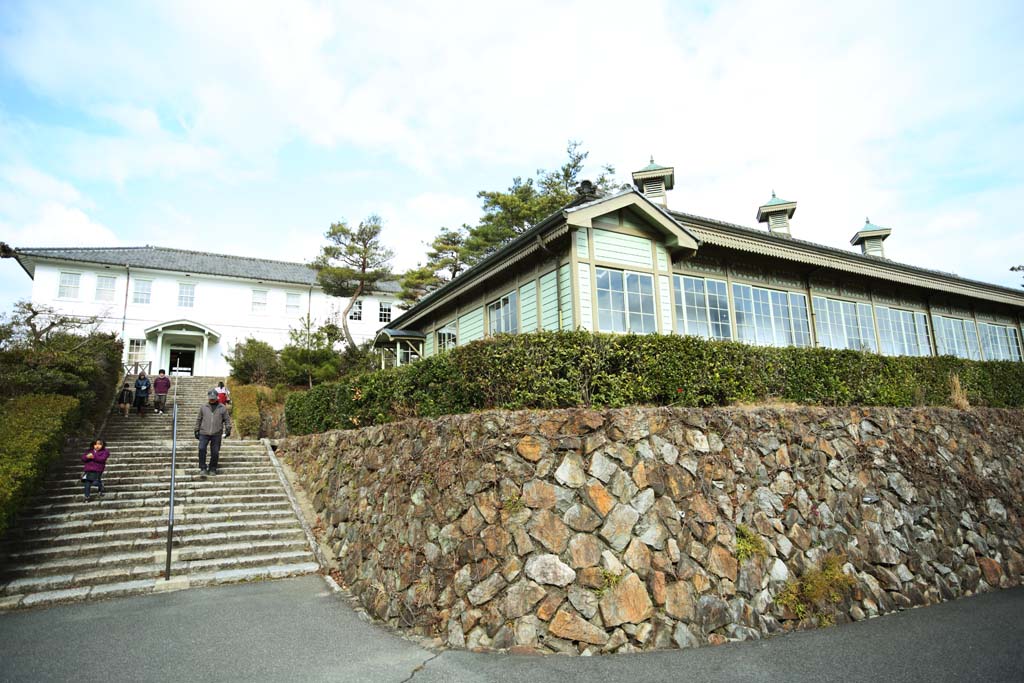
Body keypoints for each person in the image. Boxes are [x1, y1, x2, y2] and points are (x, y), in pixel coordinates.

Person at [195, 389, 232, 476]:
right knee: (201, 449)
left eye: (213, 398)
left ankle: (213, 468)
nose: (212, 399)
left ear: (217, 397)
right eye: (210, 398)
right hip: (204, 432)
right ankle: (203, 468)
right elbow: (199, 419)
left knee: (215, 452)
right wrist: (196, 429)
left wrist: (228, 429)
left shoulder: (222, 408)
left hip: (217, 433)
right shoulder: (203, 407)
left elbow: (227, 420)